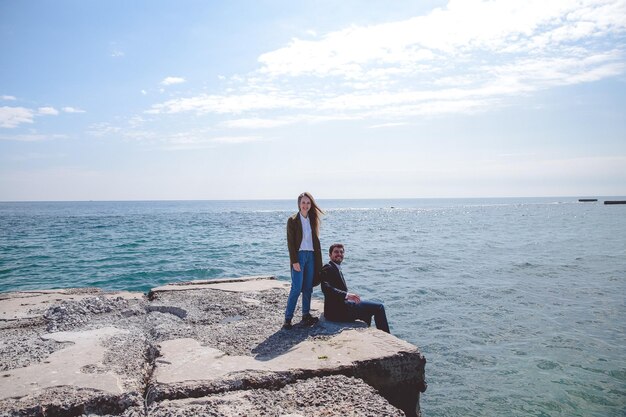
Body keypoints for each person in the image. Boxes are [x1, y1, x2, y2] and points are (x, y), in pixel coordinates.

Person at [320, 243, 390, 333]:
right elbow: (326, 288)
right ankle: (386, 335)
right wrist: (347, 295)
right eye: (336, 252)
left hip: (338, 309)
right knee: (379, 307)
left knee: (366, 309)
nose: (339, 254)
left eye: (341, 252)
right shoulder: (328, 268)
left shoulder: (336, 268)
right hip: (336, 312)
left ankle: (366, 333)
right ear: (330, 255)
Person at [283, 192, 324, 330]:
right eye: (303, 202)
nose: (305, 205)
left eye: (308, 203)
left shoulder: (312, 220)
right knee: (296, 288)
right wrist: (294, 261)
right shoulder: (292, 220)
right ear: (299, 204)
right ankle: (287, 319)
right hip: (299, 257)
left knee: (308, 287)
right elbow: (290, 243)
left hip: (311, 256)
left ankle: (305, 315)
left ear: (310, 204)